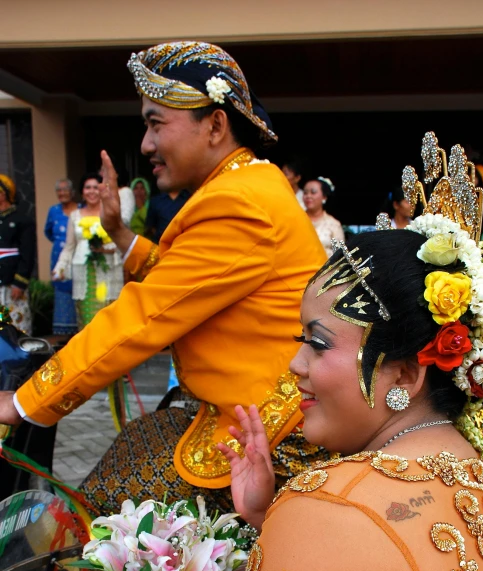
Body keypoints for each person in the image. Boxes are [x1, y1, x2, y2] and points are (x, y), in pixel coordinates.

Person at [4, 138, 483, 571]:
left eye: (316, 343)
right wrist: (263, 518)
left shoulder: (332, 506)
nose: (295, 365)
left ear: (401, 371)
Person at [0, 40, 327, 519]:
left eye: (156, 124)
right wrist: (118, 232)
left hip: (271, 434)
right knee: (129, 449)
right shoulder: (247, 185)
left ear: (215, 125)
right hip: (246, 409)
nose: (146, 145)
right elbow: (187, 281)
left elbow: (145, 315)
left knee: (100, 512)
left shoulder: (236, 203)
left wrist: (23, 403)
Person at [52, 173, 124, 328]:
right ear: (82, 191)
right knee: (88, 321)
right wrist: (60, 267)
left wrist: (105, 249)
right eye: (87, 187)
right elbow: (69, 247)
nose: (92, 191)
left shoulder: (112, 213)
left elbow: (121, 244)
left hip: (109, 273)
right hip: (84, 275)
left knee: (109, 320)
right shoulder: (75, 215)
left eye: (95, 187)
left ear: (102, 190)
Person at [0, 174, 35, 334]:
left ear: (4, 194)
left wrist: (19, 283)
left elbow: (27, 254)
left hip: (12, 285)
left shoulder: (22, 220)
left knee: (18, 328)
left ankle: (22, 358)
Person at [44, 178, 78, 336]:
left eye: (65, 189)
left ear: (72, 192)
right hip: (60, 259)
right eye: (59, 190)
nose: (62, 193)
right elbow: (48, 232)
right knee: (62, 296)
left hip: (78, 260)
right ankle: (63, 336)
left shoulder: (80, 209)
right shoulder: (53, 211)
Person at [303, 176, 344, 255]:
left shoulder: (334, 224)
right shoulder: (296, 220)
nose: (308, 196)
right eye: (305, 193)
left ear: (324, 197)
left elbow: (339, 255)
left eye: (313, 192)